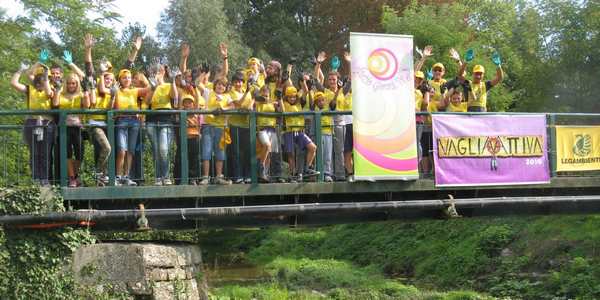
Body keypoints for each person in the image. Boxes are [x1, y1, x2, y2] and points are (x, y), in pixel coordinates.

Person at [11, 62, 54, 185]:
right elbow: (14, 83)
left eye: (45, 78)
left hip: (47, 123)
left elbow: (48, 90)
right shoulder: (31, 89)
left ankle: (44, 179)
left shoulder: (50, 89)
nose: (42, 80)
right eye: (39, 78)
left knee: (45, 152)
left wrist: (46, 74)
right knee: (34, 152)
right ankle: (36, 178)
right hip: (32, 123)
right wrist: (20, 70)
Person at [82, 33, 112, 186]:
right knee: (106, 148)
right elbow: (89, 68)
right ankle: (98, 172)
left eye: (110, 79)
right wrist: (88, 50)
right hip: (95, 124)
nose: (108, 80)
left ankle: (101, 180)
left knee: (103, 152)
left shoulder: (112, 92)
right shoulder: (95, 86)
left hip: (109, 125)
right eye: (106, 78)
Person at [113, 69, 152, 186]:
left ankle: (126, 176)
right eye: (124, 77)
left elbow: (150, 88)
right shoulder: (116, 91)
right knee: (121, 150)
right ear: (120, 79)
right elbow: (114, 106)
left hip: (134, 121)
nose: (127, 79)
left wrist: (155, 79)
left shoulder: (134, 91)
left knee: (130, 150)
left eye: (129, 77)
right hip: (121, 120)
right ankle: (118, 176)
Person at [52, 73, 88, 187]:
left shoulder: (81, 95)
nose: (71, 85)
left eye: (73, 83)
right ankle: (72, 177)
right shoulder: (62, 94)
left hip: (77, 126)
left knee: (80, 153)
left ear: (77, 84)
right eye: (68, 83)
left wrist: (86, 90)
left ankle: (75, 175)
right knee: (67, 153)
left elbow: (87, 106)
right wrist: (58, 89)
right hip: (64, 127)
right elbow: (55, 103)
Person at [315, 51, 347, 181]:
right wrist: (318, 64)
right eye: (330, 79)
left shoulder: (343, 90)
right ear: (327, 81)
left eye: (334, 79)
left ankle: (340, 174)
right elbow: (316, 80)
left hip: (340, 123)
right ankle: (327, 174)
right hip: (327, 124)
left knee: (339, 151)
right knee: (327, 151)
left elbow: (350, 79)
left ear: (338, 80)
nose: (332, 81)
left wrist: (349, 62)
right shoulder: (325, 91)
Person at [145, 65, 178, 186]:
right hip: (152, 122)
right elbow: (147, 102)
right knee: (156, 151)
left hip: (166, 121)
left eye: (159, 71)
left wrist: (173, 80)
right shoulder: (151, 86)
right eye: (155, 71)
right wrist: (153, 87)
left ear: (163, 72)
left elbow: (175, 97)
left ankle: (166, 176)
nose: (157, 73)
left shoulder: (168, 85)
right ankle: (158, 177)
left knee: (164, 149)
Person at [281, 86, 319, 182]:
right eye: (290, 97)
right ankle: (293, 174)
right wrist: (279, 98)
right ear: (286, 97)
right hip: (289, 131)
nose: (292, 98)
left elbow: (305, 93)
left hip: (300, 131)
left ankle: (306, 169)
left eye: (294, 96)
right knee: (291, 154)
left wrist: (304, 83)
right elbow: (282, 111)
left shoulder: (299, 103)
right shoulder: (284, 103)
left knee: (313, 147)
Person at [199, 78, 233, 185]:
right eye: (219, 84)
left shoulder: (227, 96)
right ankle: (205, 177)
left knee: (220, 152)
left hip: (220, 127)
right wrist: (204, 74)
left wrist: (223, 109)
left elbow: (233, 106)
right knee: (206, 151)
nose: (220, 87)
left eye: (223, 85)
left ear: (225, 87)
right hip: (208, 126)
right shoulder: (208, 92)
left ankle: (219, 176)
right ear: (215, 85)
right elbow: (197, 84)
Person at [227, 72, 254, 184]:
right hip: (235, 125)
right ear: (233, 83)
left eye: (240, 82)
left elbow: (250, 103)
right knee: (236, 152)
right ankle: (237, 176)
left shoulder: (246, 92)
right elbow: (238, 104)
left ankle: (247, 175)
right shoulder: (231, 92)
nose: (238, 84)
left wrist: (251, 104)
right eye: (236, 82)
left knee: (247, 152)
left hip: (246, 124)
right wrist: (247, 91)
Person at [255, 85, 281, 183]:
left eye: (267, 94)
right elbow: (258, 98)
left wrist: (279, 100)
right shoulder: (258, 102)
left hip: (272, 129)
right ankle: (261, 168)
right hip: (262, 129)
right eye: (264, 94)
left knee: (269, 153)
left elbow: (281, 111)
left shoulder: (273, 103)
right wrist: (268, 100)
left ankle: (265, 174)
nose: (266, 96)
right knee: (267, 145)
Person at [312, 91, 337, 182]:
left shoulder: (328, 108)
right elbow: (311, 104)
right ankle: (319, 174)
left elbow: (333, 104)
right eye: (318, 101)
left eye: (322, 100)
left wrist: (337, 91)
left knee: (328, 155)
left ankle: (327, 174)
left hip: (328, 133)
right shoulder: (314, 109)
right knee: (319, 155)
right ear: (315, 103)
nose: (321, 102)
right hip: (318, 134)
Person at [180, 94, 202, 184]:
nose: (188, 104)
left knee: (194, 159)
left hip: (194, 138)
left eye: (190, 103)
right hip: (184, 139)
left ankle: (193, 178)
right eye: (186, 103)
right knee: (183, 158)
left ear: (193, 104)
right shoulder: (181, 113)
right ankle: (183, 178)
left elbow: (199, 126)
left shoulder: (196, 114)